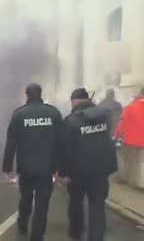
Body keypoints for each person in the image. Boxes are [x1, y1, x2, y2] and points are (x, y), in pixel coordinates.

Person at [2, 83, 65, 241]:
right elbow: (62, 142)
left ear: (27, 95)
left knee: (26, 198)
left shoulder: (19, 115)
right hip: (47, 167)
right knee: (42, 204)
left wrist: (7, 167)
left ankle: (23, 224)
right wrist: (61, 167)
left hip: (26, 168)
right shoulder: (53, 113)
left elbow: (11, 143)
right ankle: (37, 236)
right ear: (40, 94)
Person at [60, 88, 117, 241]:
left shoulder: (71, 121)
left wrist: (63, 173)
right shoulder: (105, 116)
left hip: (78, 172)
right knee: (98, 207)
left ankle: (76, 233)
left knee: (76, 203)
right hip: (101, 170)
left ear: (75, 101)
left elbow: (66, 149)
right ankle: (96, 237)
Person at [114, 87, 144, 189]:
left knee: (127, 160)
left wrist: (117, 135)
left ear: (140, 93)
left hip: (130, 139)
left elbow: (122, 123)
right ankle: (137, 182)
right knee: (138, 161)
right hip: (142, 140)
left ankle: (125, 179)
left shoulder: (131, 107)